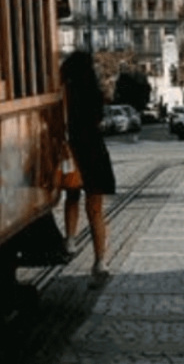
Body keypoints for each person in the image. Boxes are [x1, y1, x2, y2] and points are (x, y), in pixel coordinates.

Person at [60, 51, 115, 286]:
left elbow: (60, 120)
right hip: (95, 149)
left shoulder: (65, 90)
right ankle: (100, 261)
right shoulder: (95, 92)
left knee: (72, 194)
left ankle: (70, 239)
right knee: (95, 210)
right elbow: (98, 120)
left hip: (74, 148)